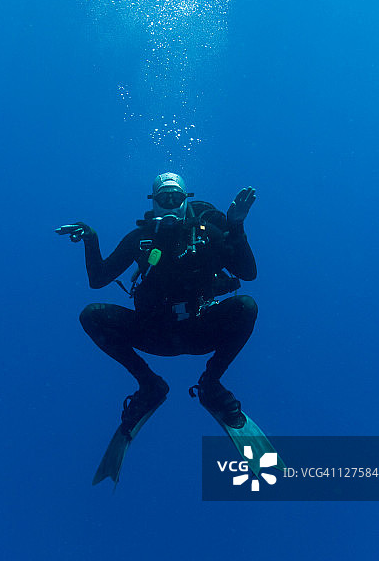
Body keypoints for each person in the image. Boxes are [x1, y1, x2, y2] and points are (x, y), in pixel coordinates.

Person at [60, 172, 258, 433]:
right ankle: (149, 384)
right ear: (154, 202)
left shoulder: (207, 235)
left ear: (186, 199)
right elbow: (98, 279)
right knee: (91, 315)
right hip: (154, 332)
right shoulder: (139, 240)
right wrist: (91, 239)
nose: (170, 203)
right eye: (164, 198)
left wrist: (236, 226)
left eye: (176, 197)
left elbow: (248, 273)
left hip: (199, 329)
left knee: (246, 307)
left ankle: (211, 384)